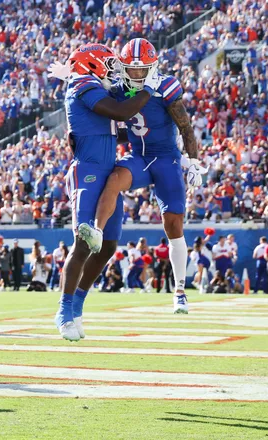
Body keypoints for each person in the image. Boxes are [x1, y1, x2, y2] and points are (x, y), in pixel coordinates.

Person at [48, 43, 158, 341]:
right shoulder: (83, 84)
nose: (113, 70)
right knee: (84, 242)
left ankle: (79, 305)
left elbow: (114, 125)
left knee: (108, 245)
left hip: (107, 170)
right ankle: (64, 309)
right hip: (88, 171)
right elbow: (120, 112)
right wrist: (147, 90)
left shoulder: (89, 85)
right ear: (92, 66)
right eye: (108, 65)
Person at [91, 38, 208, 314]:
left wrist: (192, 161)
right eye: (132, 70)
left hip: (166, 158)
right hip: (139, 156)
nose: (137, 75)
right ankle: (96, 230)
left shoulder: (165, 87)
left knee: (173, 224)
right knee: (114, 179)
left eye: (142, 69)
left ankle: (179, 291)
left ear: (152, 67)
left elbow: (186, 128)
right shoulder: (117, 89)